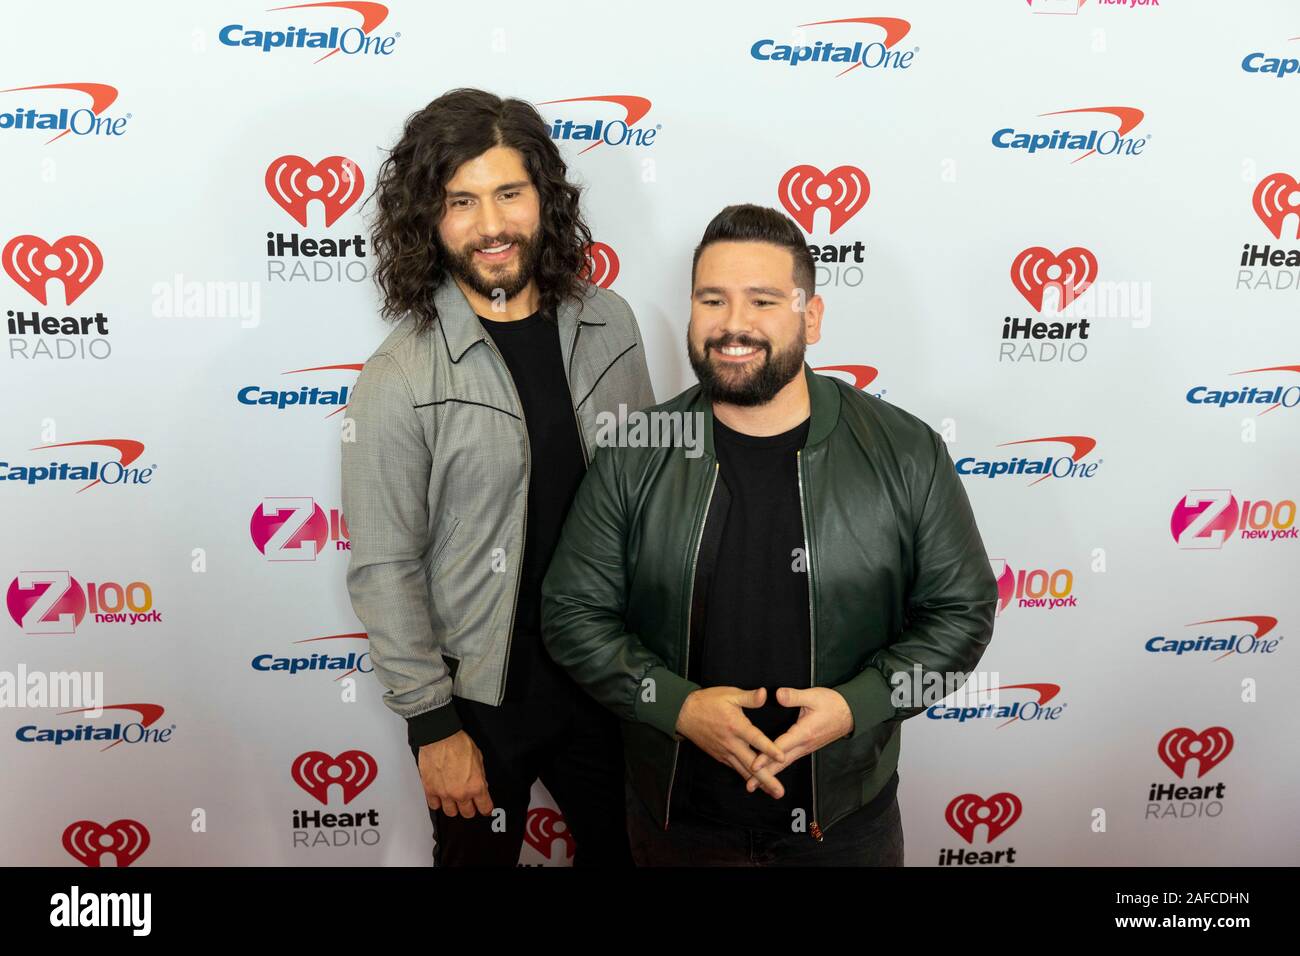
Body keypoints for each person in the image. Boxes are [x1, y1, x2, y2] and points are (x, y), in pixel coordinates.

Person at [541, 203, 997, 866]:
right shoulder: (637, 449)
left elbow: (962, 615)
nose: (733, 325)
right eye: (712, 299)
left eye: (762, 300)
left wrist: (857, 705)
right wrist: (677, 706)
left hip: (844, 827)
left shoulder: (905, 451)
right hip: (678, 824)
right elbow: (571, 612)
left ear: (809, 316)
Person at [341, 88, 654, 866]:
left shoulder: (609, 320)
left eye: (509, 193)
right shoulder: (399, 374)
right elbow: (385, 564)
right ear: (428, 218)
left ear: (543, 198)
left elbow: (649, 495)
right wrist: (431, 726)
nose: (490, 226)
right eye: (461, 202)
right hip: (482, 703)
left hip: (609, 680)